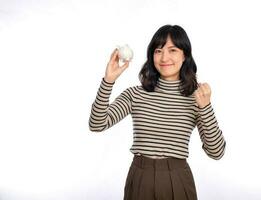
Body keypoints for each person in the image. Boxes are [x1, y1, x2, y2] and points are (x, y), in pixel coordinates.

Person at [89, 24, 226, 200]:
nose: (164, 57)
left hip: (177, 179)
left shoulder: (197, 98)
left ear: (185, 55)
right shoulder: (135, 94)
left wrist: (205, 108)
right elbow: (97, 124)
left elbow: (216, 152)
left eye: (173, 50)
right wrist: (108, 81)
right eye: (158, 50)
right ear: (152, 55)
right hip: (140, 177)